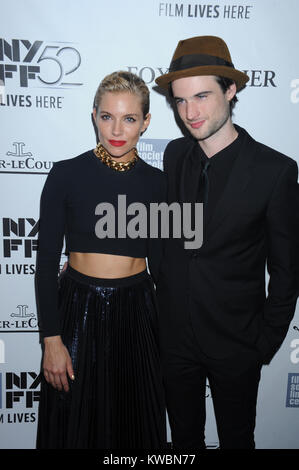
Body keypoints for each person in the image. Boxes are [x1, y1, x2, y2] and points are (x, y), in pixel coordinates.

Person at [155, 35, 299, 449]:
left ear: (231, 90)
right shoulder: (174, 156)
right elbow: (166, 236)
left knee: (238, 439)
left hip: (237, 343)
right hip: (175, 338)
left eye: (201, 96)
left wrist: (263, 343)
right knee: (183, 440)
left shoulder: (275, 171)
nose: (190, 112)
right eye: (180, 101)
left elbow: (287, 269)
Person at [35, 71, 167, 449]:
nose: (117, 129)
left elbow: (162, 266)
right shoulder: (65, 175)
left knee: (135, 424)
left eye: (129, 118)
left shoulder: (159, 184)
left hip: (138, 310)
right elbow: (46, 266)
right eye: (107, 116)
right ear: (94, 115)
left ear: (146, 121)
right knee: (74, 425)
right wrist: (51, 340)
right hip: (78, 308)